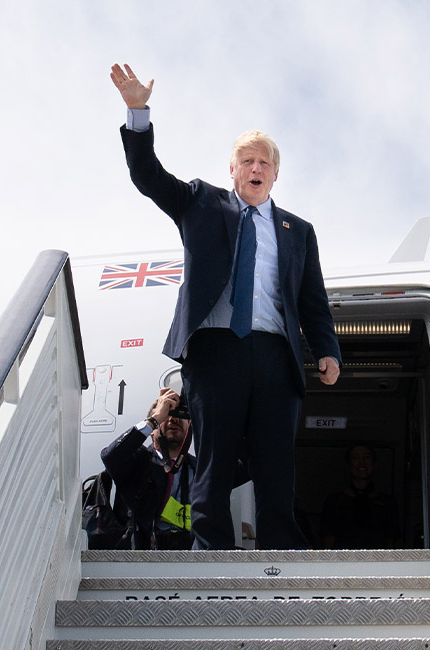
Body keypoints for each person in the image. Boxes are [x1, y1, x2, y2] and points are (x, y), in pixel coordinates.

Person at [109, 63, 341, 550]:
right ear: (231, 170)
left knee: (276, 462)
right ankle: (211, 552)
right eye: (247, 162)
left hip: (276, 355)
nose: (256, 169)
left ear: (276, 174)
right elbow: (148, 176)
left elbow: (312, 299)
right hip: (216, 351)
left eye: (265, 163)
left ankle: (282, 551)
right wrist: (137, 115)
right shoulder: (200, 203)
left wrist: (327, 350)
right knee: (212, 461)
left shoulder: (298, 231)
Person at [99, 388, 195, 550]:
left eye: (180, 416)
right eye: (167, 415)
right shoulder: (138, 462)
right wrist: (155, 418)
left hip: (188, 553)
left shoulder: (200, 469)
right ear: (152, 432)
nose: (173, 420)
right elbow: (110, 456)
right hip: (141, 552)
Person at [319, 444, 399, 549]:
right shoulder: (334, 501)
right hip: (343, 562)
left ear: (373, 463)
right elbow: (328, 540)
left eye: (367, 457)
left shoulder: (387, 502)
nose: (362, 462)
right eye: (355, 458)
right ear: (349, 465)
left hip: (378, 562)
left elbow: (392, 540)